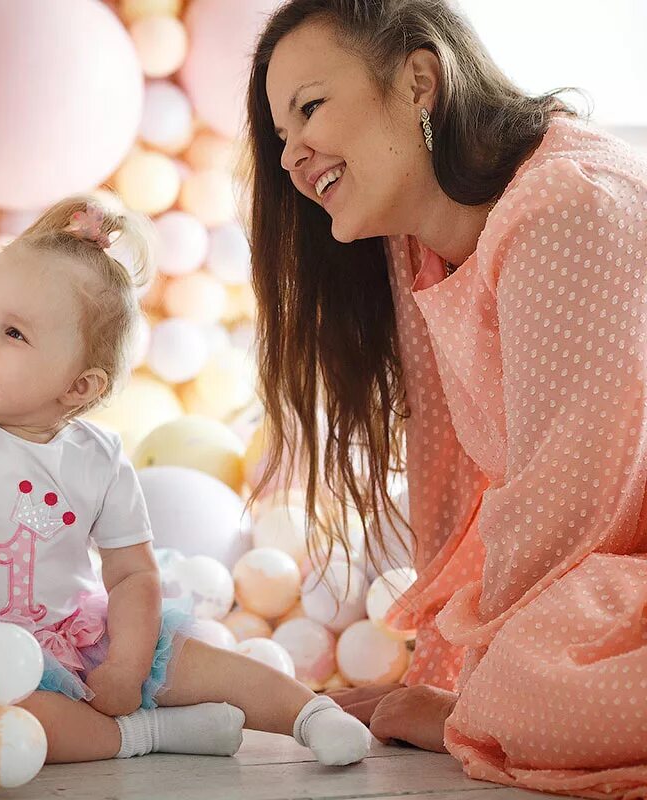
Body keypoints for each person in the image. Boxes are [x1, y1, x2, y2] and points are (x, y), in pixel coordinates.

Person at [0, 197, 372, 766]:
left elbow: (133, 573)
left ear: (79, 387)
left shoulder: (98, 458)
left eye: (14, 334)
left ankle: (309, 714)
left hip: (74, 629)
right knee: (3, 719)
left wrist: (128, 664)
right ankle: (149, 735)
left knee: (209, 666)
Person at [243, 0, 647, 795]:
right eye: (280, 136)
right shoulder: (421, 249)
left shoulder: (567, 204)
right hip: (607, 589)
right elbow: (452, 490)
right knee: (526, 684)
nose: (292, 155)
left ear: (419, 80)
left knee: (540, 693)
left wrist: (476, 700)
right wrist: (449, 673)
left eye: (310, 108)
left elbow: (576, 509)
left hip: (610, 573)